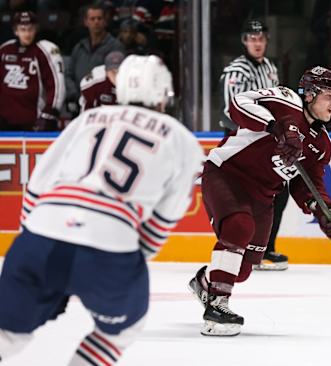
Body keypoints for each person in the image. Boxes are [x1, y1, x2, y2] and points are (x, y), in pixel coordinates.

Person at [0, 55, 204, 364]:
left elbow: (38, 185)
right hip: (109, 247)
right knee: (123, 329)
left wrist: (35, 243)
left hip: (40, 236)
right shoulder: (183, 140)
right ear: (163, 93)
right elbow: (164, 219)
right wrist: (123, 261)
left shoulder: (87, 119)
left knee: (8, 333)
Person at [188, 66, 331, 336]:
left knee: (242, 271)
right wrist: (276, 126)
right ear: (310, 94)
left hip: (263, 196)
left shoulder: (321, 144)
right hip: (227, 174)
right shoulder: (285, 99)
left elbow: (306, 184)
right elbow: (239, 103)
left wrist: (325, 212)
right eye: (329, 96)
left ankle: (205, 282)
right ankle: (216, 307)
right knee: (239, 226)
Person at [219, 19, 287, 270]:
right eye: (252, 38)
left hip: (264, 142)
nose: (257, 43)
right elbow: (230, 111)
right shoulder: (237, 71)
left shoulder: (269, 67)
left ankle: (263, 248)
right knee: (247, 196)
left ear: (266, 41)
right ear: (244, 41)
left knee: (278, 191)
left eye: (261, 39)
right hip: (241, 143)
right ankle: (246, 249)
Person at [0, 11, 65, 131]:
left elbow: (57, 84)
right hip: (5, 121)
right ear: (16, 31)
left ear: (36, 29)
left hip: (34, 122)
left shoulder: (45, 50)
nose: (27, 33)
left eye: (30, 29)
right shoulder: (5, 50)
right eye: (23, 29)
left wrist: (50, 112)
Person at [65, 3, 125, 109]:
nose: (96, 22)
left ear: (105, 21)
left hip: (104, 104)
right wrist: (77, 95)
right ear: (86, 22)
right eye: (92, 19)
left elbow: (117, 77)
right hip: (78, 101)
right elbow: (68, 74)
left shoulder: (115, 47)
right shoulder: (79, 47)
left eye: (99, 18)